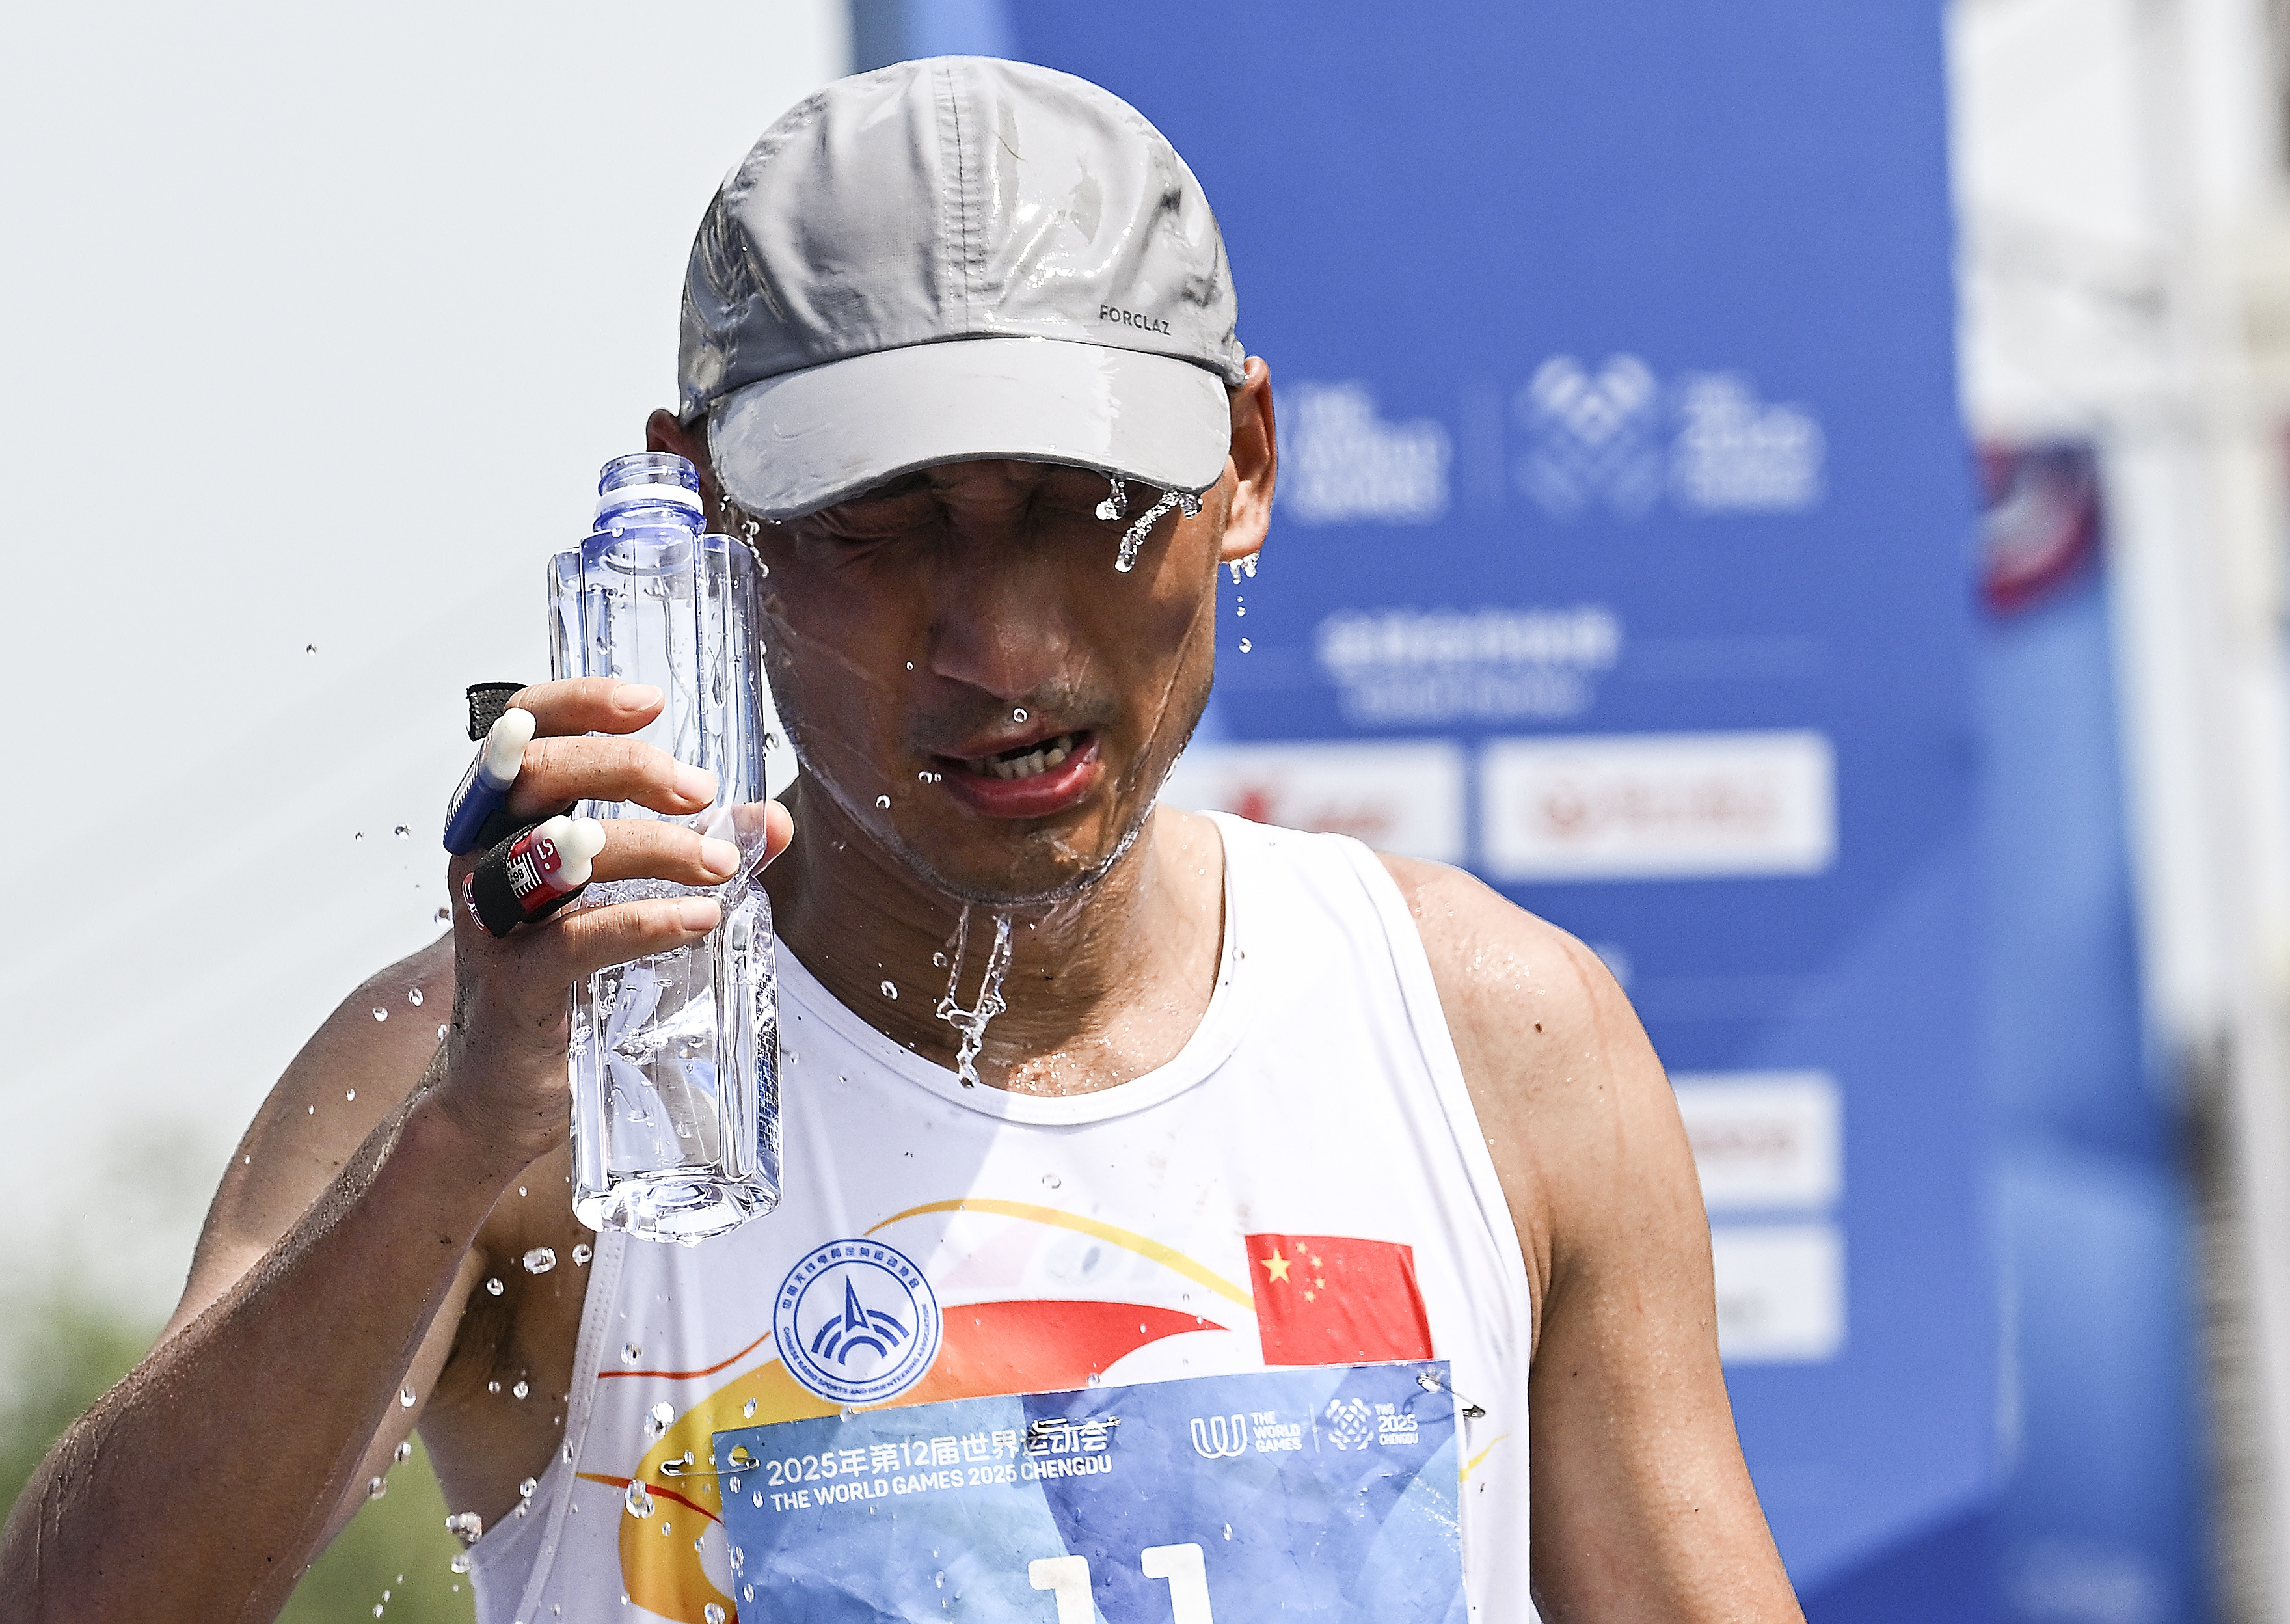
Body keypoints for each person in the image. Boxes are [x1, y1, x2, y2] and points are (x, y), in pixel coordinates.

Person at [1, 57, 1803, 1624]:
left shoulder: (1491, 1038)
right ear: (707, 502)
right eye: (883, 522)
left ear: (1244, 463)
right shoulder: (504, 1073)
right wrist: (460, 1142)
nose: (1000, 651)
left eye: (1087, 505)